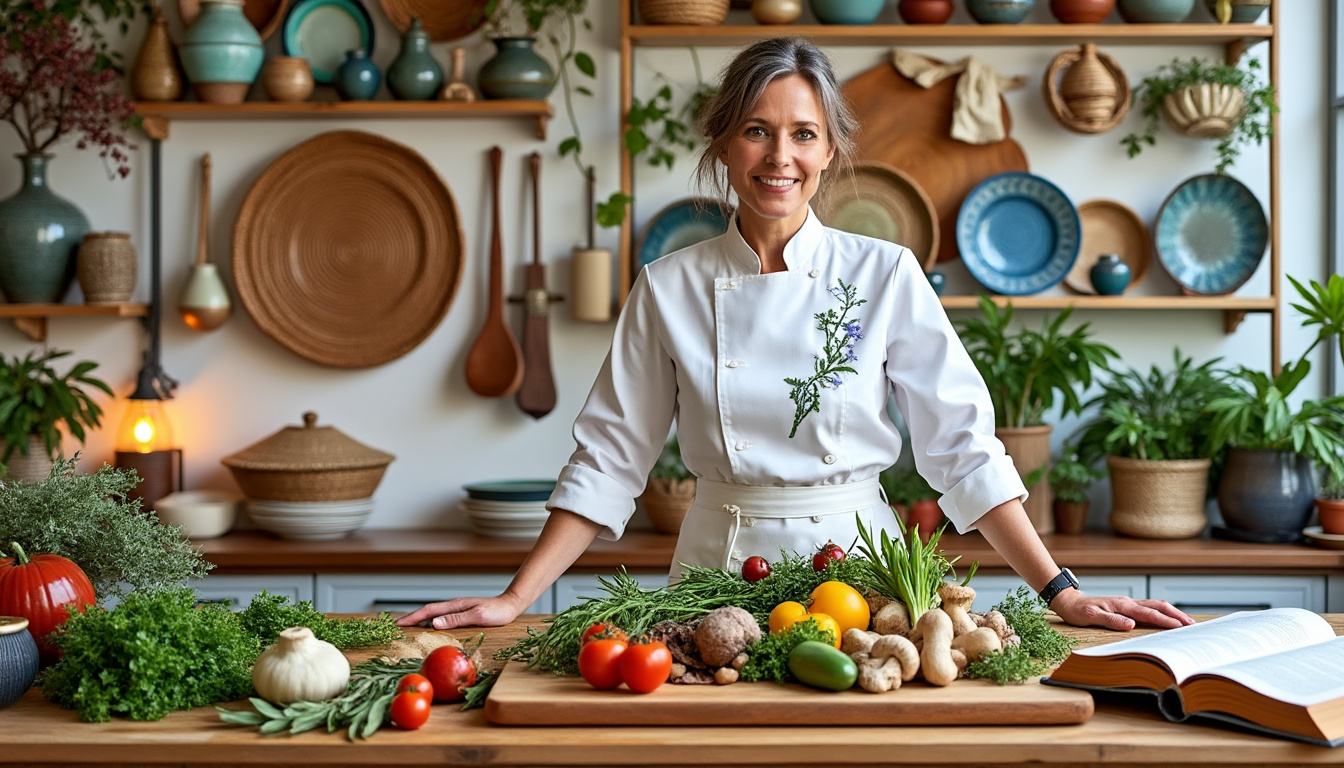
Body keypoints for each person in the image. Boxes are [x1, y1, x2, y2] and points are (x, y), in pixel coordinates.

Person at [399, 37, 1192, 635]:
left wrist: (1063, 591)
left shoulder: (885, 274)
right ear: (721, 144)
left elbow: (964, 449)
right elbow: (610, 458)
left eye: (803, 134)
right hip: (714, 586)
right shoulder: (668, 286)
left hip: (862, 586)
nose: (780, 157)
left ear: (832, 149)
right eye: (756, 131)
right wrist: (516, 596)